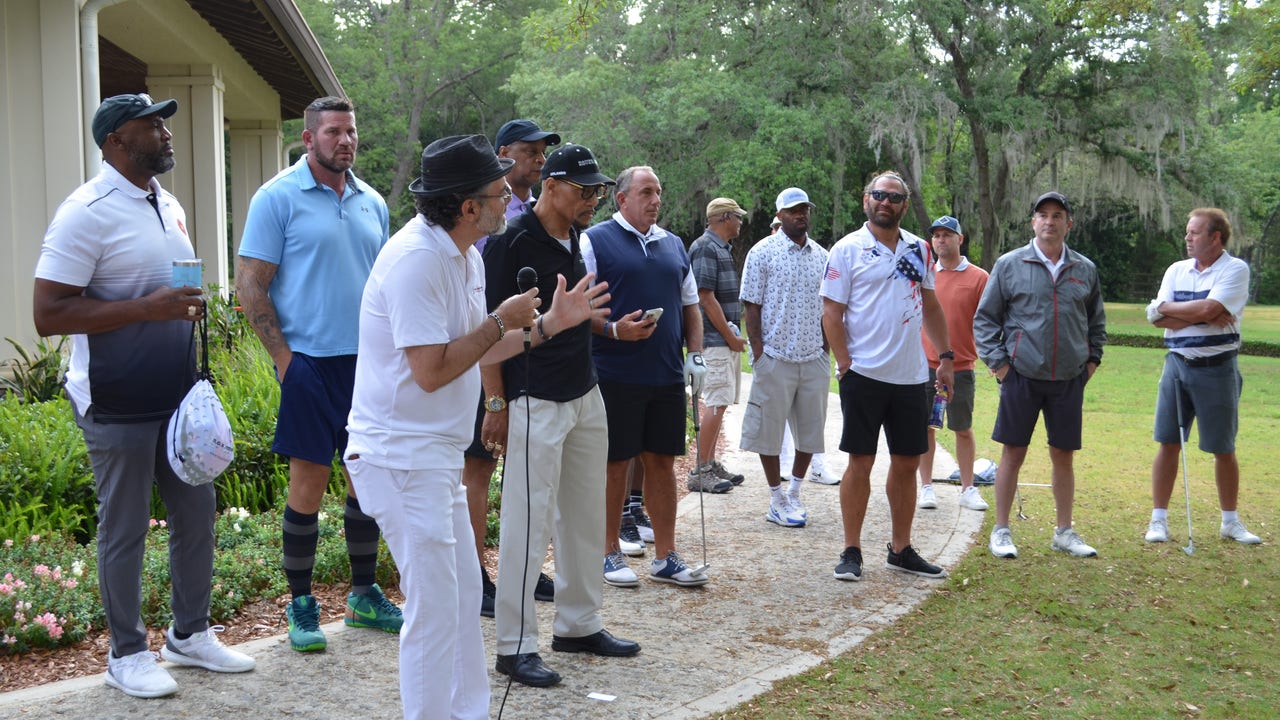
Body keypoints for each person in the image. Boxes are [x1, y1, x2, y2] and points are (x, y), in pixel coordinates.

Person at [344, 134, 611, 719]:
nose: (509, 200)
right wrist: (499, 320)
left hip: (431, 459)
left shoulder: (460, 253)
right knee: (436, 608)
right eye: (498, 192)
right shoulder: (418, 260)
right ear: (468, 207)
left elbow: (476, 351)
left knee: (464, 598)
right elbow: (432, 370)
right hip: (399, 459)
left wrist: (551, 326)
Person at [33, 93, 255, 698]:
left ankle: (189, 635)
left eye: (165, 122)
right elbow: (48, 314)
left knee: (195, 516)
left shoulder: (169, 202)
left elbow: (166, 291)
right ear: (115, 143)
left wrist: (182, 306)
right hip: (115, 396)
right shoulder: (85, 211)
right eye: (151, 124)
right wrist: (146, 308)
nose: (165, 132)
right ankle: (126, 652)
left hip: (176, 396)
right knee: (125, 527)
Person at [237, 96, 401, 652]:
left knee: (366, 481)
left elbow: (384, 287)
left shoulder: (372, 203)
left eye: (351, 132)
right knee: (307, 485)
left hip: (367, 366)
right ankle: (302, 605)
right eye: (333, 132)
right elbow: (251, 284)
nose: (345, 141)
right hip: (306, 364)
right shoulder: (276, 197)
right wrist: (285, 362)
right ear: (309, 139)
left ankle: (362, 596)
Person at [483, 143, 640, 688]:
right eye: (584, 189)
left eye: (598, 190)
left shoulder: (573, 236)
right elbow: (490, 333)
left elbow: (575, 313)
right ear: (550, 185)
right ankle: (514, 645)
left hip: (582, 392)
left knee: (582, 516)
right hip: (533, 398)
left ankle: (578, 624)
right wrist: (496, 402)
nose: (593, 199)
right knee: (528, 522)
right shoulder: (509, 243)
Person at [820, 172, 953, 582]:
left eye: (894, 197)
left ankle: (900, 548)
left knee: (907, 462)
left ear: (904, 205)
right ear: (866, 200)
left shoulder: (918, 249)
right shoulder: (847, 250)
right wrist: (845, 365)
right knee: (860, 461)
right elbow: (831, 313)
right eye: (879, 195)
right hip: (864, 374)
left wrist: (945, 357)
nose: (885, 202)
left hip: (912, 376)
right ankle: (851, 549)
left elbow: (930, 306)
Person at [582, 165, 710, 589]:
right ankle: (607, 551)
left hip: (666, 373)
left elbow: (690, 304)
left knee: (661, 461)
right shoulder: (595, 240)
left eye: (658, 192)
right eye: (646, 192)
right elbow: (580, 310)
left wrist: (696, 355)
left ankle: (666, 557)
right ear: (622, 199)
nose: (655, 200)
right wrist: (614, 330)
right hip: (615, 372)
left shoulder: (673, 244)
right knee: (615, 463)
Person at [974, 191, 1107, 559]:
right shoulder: (1010, 264)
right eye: (1043, 215)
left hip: (1068, 378)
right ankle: (1001, 530)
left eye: (1057, 215)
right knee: (1012, 452)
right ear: (1033, 221)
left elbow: (1096, 322)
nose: (1049, 221)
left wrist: (1090, 362)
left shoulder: (1085, 269)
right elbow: (985, 319)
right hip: (1021, 376)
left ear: (1069, 223)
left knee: (1063, 455)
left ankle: (1064, 531)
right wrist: (1001, 366)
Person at [468, 119, 561, 617]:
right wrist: (494, 396)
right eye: (529, 150)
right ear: (503, 153)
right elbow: (484, 308)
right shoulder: (492, 218)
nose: (539, 159)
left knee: (517, 474)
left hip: (531, 365)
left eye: (543, 152)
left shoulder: (534, 213)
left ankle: (518, 568)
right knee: (478, 469)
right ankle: (475, 576)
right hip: (488, 363)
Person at [1144, 208, 1261, 545]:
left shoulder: (1235, 269)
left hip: (1218, 368)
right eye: (1187, 232)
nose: (1188, 238)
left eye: (1194, 233)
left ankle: (1230, 522)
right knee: (1167, 443)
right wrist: (1192, 312)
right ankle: (1158, 520)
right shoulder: (1176, 270)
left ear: (1215, 237)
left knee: (1223, 447)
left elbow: (1210, 310)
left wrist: (1171, 309)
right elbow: (1156, 317)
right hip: (1177, 365)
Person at [739, 188, 831, 528]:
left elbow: (829, 308)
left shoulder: (822, 256)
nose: (800, 215)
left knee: (810, 432)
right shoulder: (762, 253)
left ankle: (794, 491)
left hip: (813, 357)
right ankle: (775, 496)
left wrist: (826, 350)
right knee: (769, 432)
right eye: (793, 210)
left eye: (804, 209)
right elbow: (752, 305)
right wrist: (758, 354)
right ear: (780, 215)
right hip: (775, 356)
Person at [916, 215, 990, 513]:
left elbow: (986, 322)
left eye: (948, 235)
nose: (941, 240)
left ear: (960, 239)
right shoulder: (925, 275)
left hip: (961, 367)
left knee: (963, 428)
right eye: (937, 235)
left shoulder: (979, 277)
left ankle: (968, 488)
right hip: (925, 365)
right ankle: (926, 487)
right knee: (926, 429)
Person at [686, 197, 750, 492]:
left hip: (720, 340)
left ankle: (710, 463)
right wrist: (730, 337)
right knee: (715, 402)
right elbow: (704, 297)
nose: (740, 221)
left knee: (720, 402)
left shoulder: (720, 248)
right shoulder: (705, 248)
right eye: (737, 216)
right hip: (712, 341)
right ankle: (700, 471)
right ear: (725, 217)